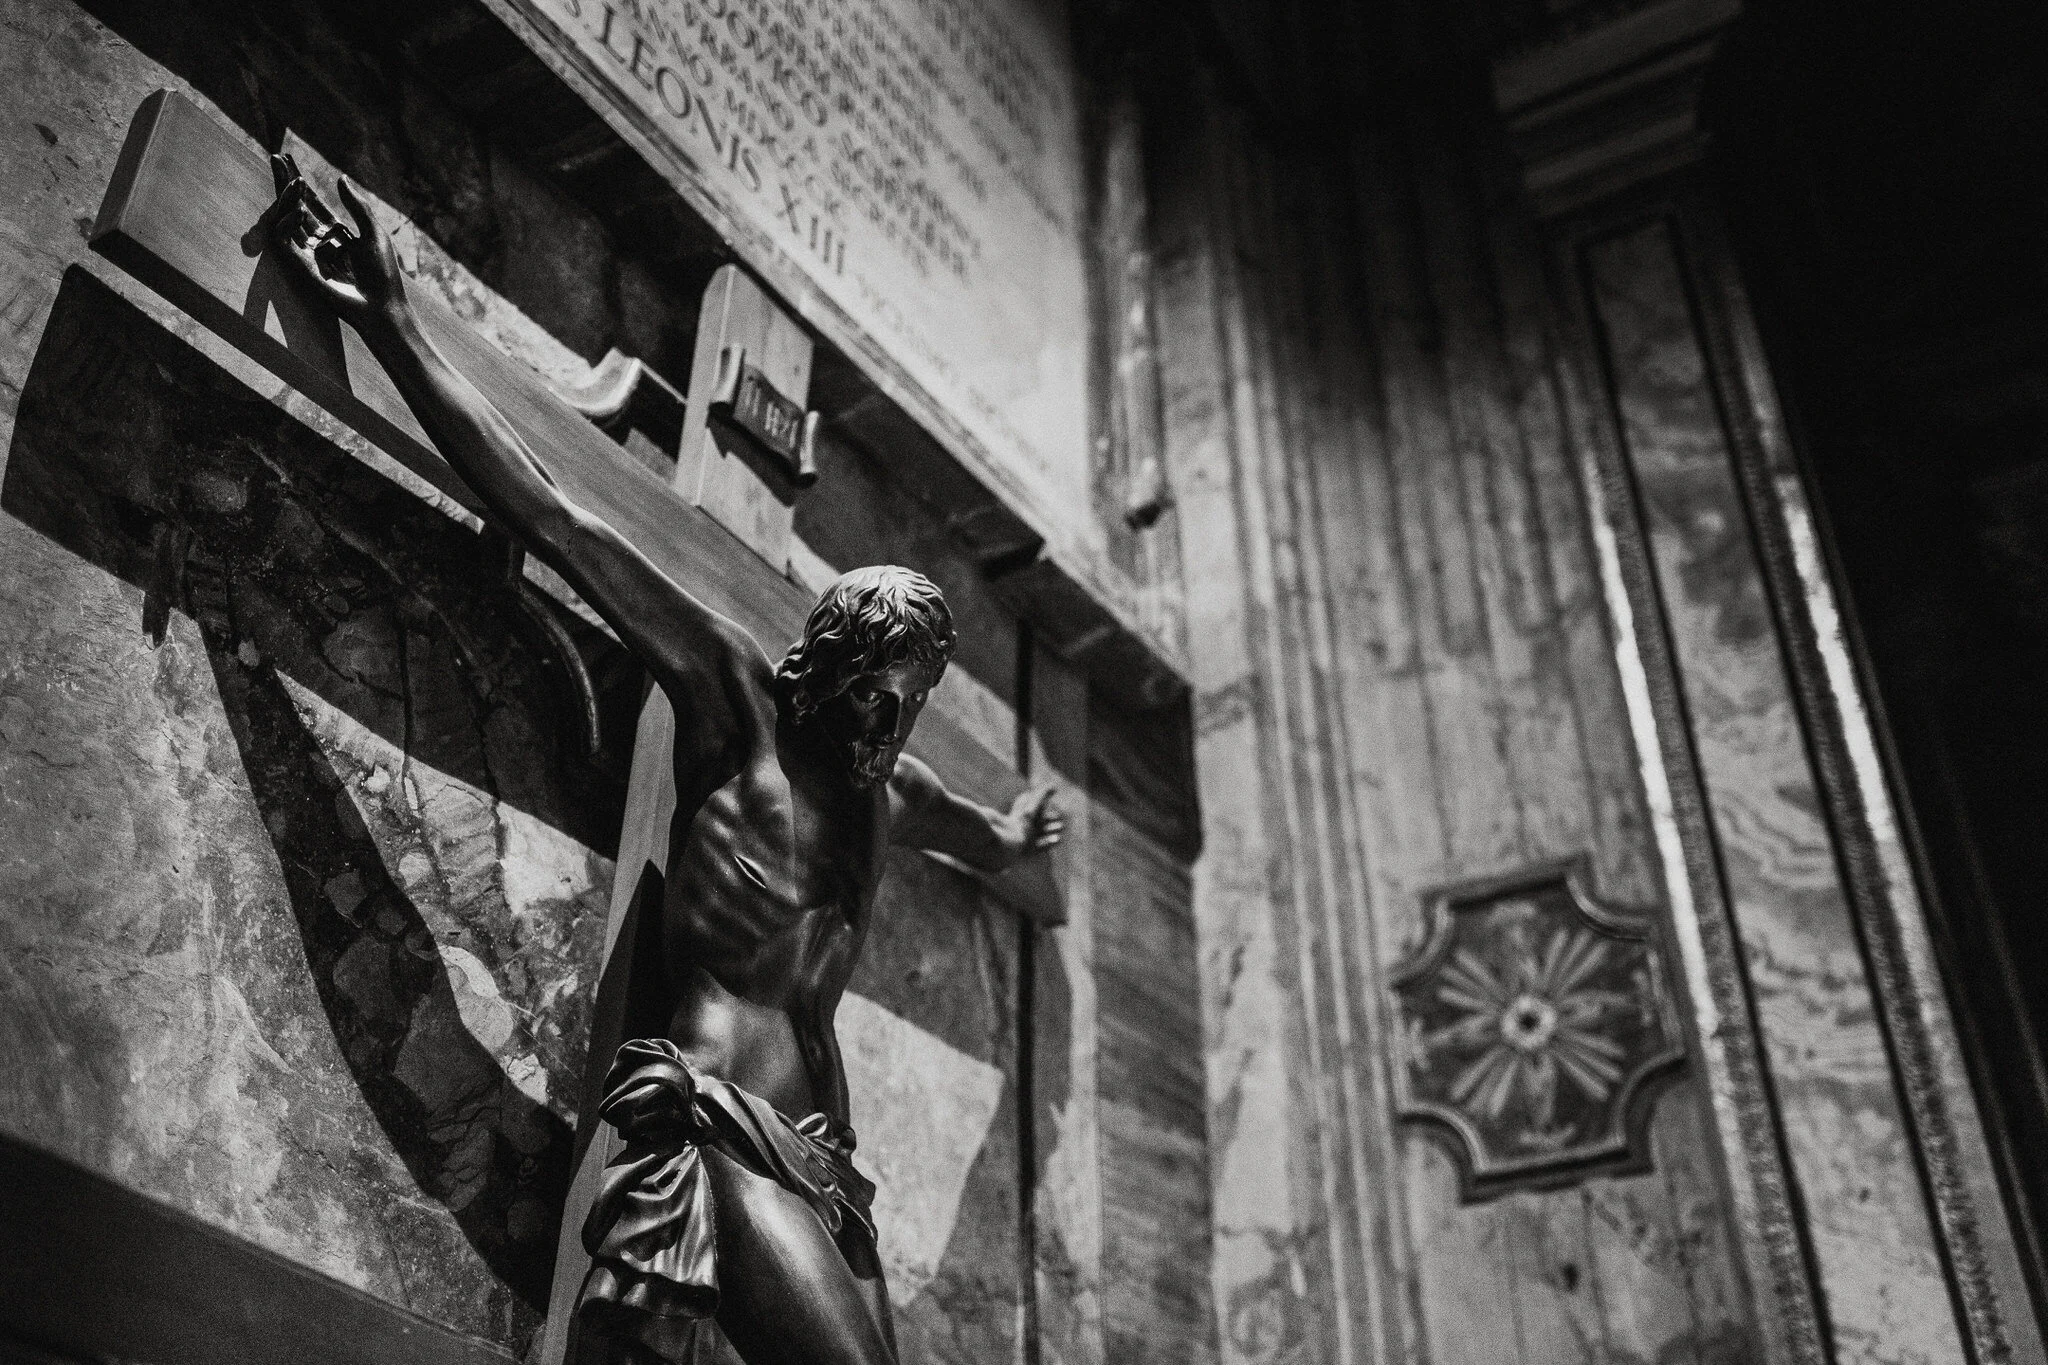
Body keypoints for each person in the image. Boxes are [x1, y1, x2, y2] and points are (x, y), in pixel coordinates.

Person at [270, 162, 1064, 1365]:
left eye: (904, 709)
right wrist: (393, 320)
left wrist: (1017, 836)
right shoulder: (736, 702)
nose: (880, 727)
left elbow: (982, 838)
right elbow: (557, 518)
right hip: (713, 1121)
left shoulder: (893, 791)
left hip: (822, 1158)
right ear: (823, 667)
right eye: (867, 695)